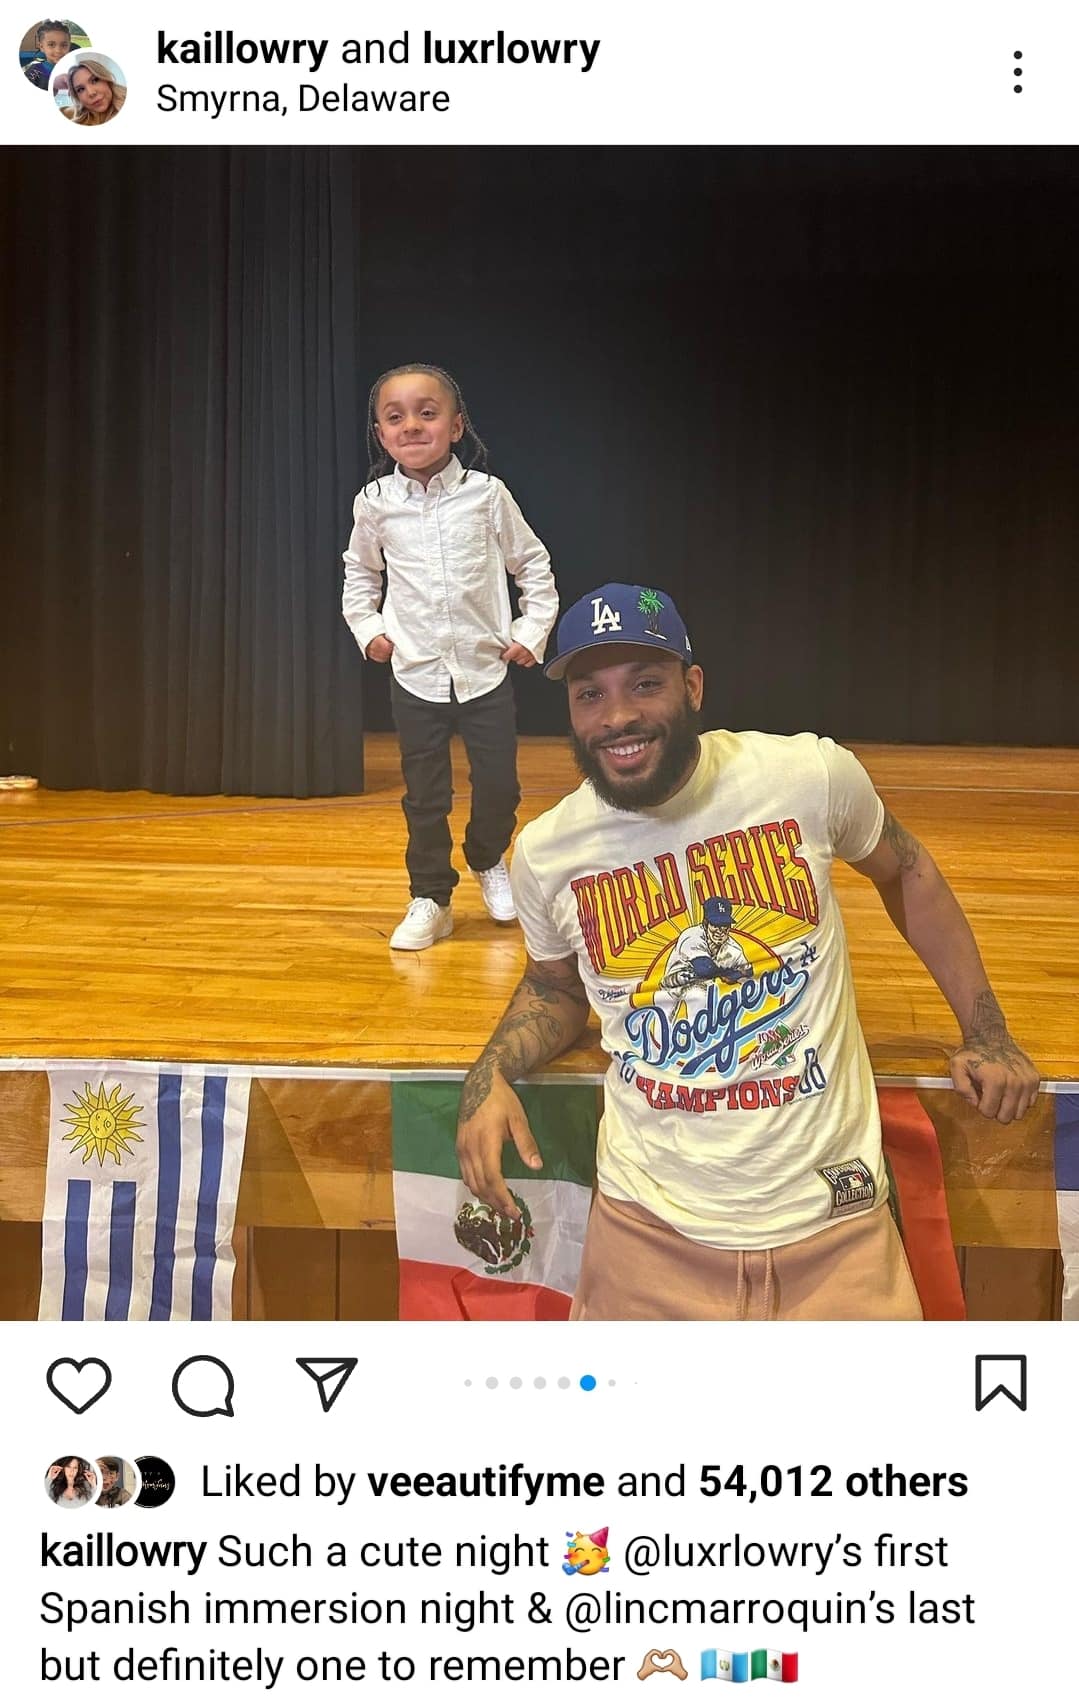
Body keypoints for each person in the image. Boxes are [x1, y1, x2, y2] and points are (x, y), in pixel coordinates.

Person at [455, 582, 1040, 1321]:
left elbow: (908, 869)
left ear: (693, 687)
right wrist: (489, 1072)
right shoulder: (547, 852)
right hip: (646, 1233)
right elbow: (555, 988)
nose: (617, 716)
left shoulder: (804, 777)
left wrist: (987, 1030)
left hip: (835, 1226)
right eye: (589, 693)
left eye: (644, 683)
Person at [342, 364, 558, 950]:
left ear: (456, 426)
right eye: (395, 417)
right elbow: (360, 573)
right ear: (381, 434)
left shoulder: (487, 495)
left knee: (499, 786)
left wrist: (531, 630)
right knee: (425, 795)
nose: (412, 425)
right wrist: (368, 628)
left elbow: (532, 564)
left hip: (484, 672)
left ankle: (488, 855)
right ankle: (431, 897)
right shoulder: (375, 503)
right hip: (416, 674)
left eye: (427, 413)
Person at [63, 56, 125, 124]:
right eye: (81, 89)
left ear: (107, 80)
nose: (91, 93)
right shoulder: (76, 119)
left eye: (95, 80)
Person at [23, 19, 72, 89]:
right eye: (51, 44)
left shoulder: (73, 71)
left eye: (64, 45)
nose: (58, 50)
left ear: (69, 46)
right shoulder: (34, 71)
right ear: (42, 47)